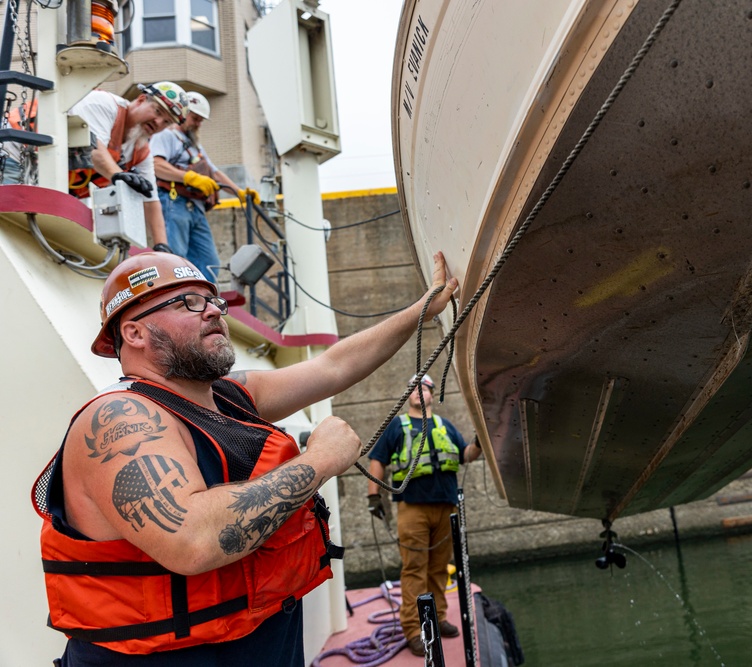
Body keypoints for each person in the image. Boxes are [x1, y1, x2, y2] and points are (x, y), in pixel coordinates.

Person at [32, 250, 459, 665]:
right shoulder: (118, 419)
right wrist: (321, 460)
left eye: (212, 300)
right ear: (135, 333)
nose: (215, 311)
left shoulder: (228, 396)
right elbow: (192, 541)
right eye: (189, 302)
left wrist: (422, 310)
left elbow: (334, 367)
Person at [366, 374, 481, 656]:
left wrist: (479, 442)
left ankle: (438, 618)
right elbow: (377, 460)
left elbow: (465, 454)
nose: (418, 392)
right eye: (413, 390)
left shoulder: (444, 425)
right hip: (413, 508)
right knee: (415, 568)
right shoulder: (397, 426)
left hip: (445, 506)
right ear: (409, 397)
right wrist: (373, 496)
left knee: (439, 567)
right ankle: (414, 629)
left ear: (432, 394)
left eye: (424, 388)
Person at [67, 81, 190, 252]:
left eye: (166, 122)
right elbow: (93, 150)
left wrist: (162, 246)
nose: (158, 122)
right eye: (157, 111)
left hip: (56, 185)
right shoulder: (105, 105)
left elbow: (151, 200)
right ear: (141, 99)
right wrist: (118, 174)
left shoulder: (140, 149)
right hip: (20, 158)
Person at [151, 91, 259, 282]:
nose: (198, 123)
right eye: (195, 118)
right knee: (174, 260)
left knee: (208, 262)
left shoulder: (194, 146)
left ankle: (199, 299)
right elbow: (156, 165)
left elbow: (214, 173)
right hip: (174, 202)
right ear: (183, 114)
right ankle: (176, 299)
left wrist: (238, 192)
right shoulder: (166, 136)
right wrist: (188, 177)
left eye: (201, 120)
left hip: (195, 208)